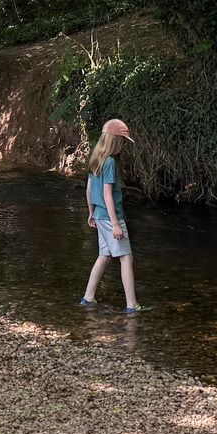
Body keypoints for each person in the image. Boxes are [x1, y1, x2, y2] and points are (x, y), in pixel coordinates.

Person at [78, 117, 139, 312]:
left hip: (99, 214)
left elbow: (89, 189)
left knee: (104, 255)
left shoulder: (96, 158)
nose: (123, 146)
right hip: (111, 217)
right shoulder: (110, 162)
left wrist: (91, 212)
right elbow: (107, 195)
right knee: (126, 258)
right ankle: (132, 305)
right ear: (115, 141)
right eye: (122, 142)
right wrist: (115, 224)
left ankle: (88, 297)